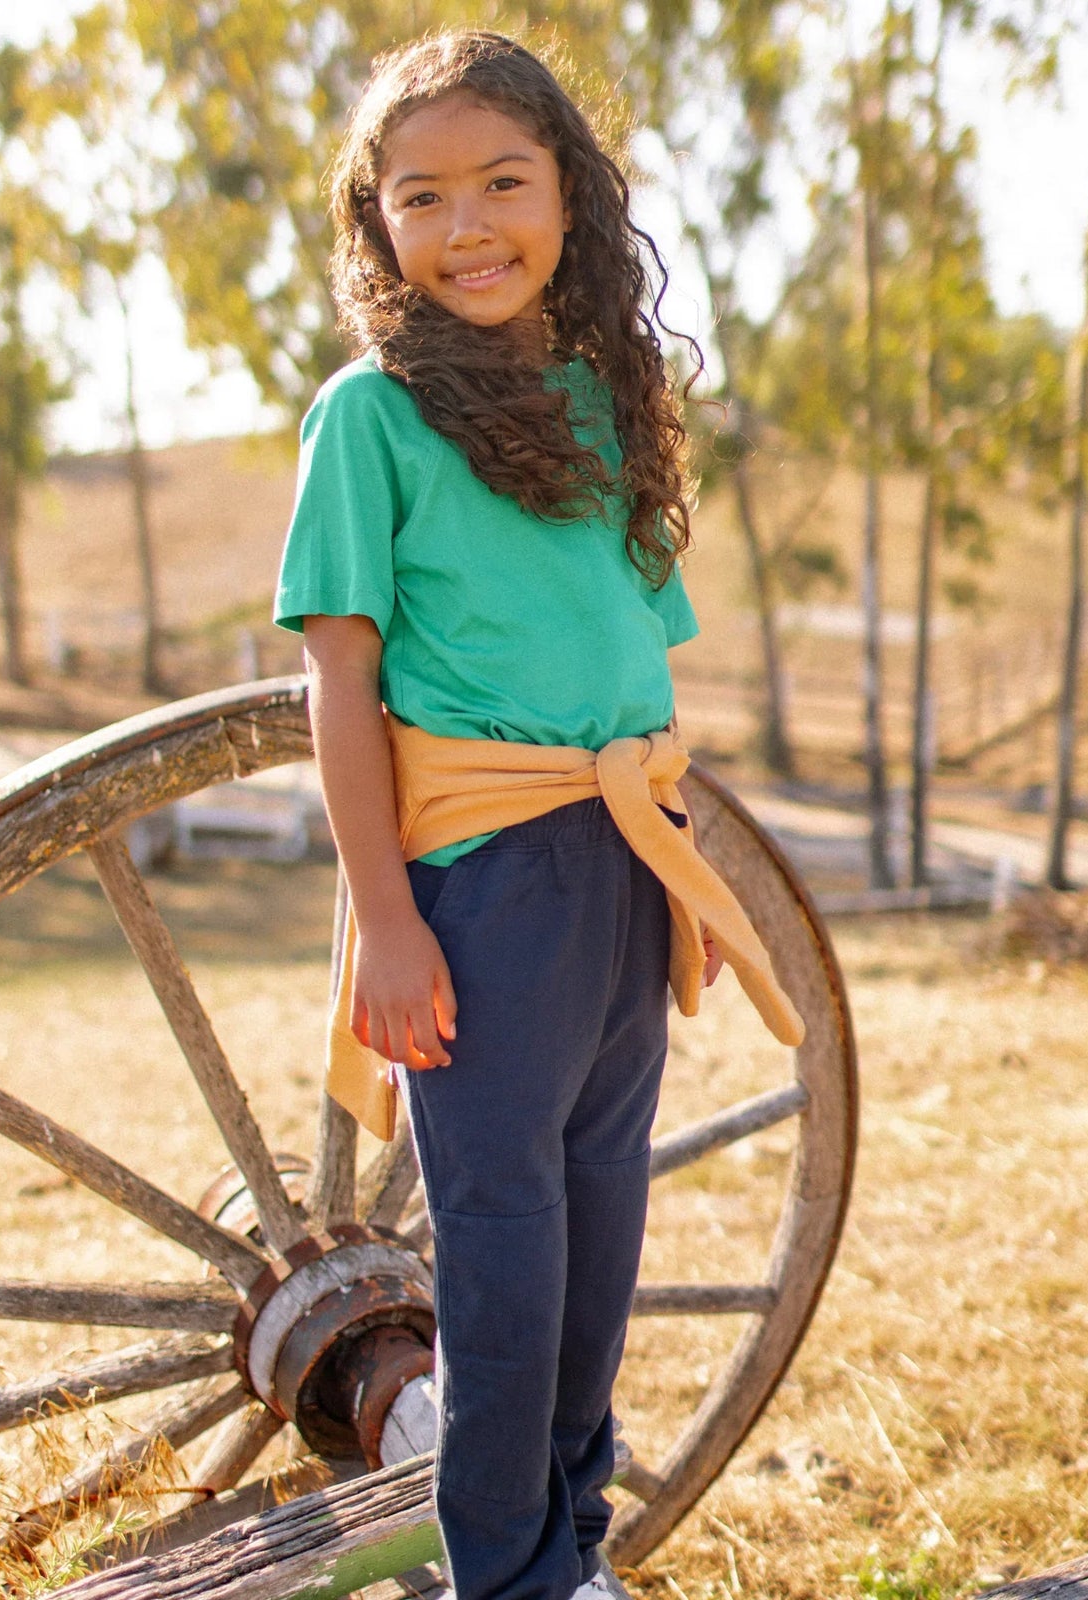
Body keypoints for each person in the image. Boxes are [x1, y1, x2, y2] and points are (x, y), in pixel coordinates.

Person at [272, 30, 804, 1600]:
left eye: (505, 183)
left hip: (623, 865)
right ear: (379, 226)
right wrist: (385, 915)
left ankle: (573, 1544)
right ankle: (502, 1575)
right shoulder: (367, 421)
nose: (469, 226)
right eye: (421, 198)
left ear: (571, 192)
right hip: (483, 878)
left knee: (597, 1235)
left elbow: (628, 647)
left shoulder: (602, 399)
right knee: (503, 1255)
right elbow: (340, 682)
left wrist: (666, 852)